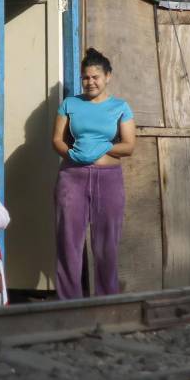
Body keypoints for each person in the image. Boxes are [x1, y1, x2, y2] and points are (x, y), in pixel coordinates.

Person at [51, 47, 136, 299]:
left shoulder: (120, 106)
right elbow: (56, 140)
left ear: (107, 76)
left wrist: (103, 150)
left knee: (106, 245)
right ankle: (68, 303)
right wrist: (72, 155)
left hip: (108, 180)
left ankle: (106, 300)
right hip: (72, 178)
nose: (90, 82)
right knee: (69, 243)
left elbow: (129, 145)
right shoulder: (70, 104)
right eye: (85, 77)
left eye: (95, 77)